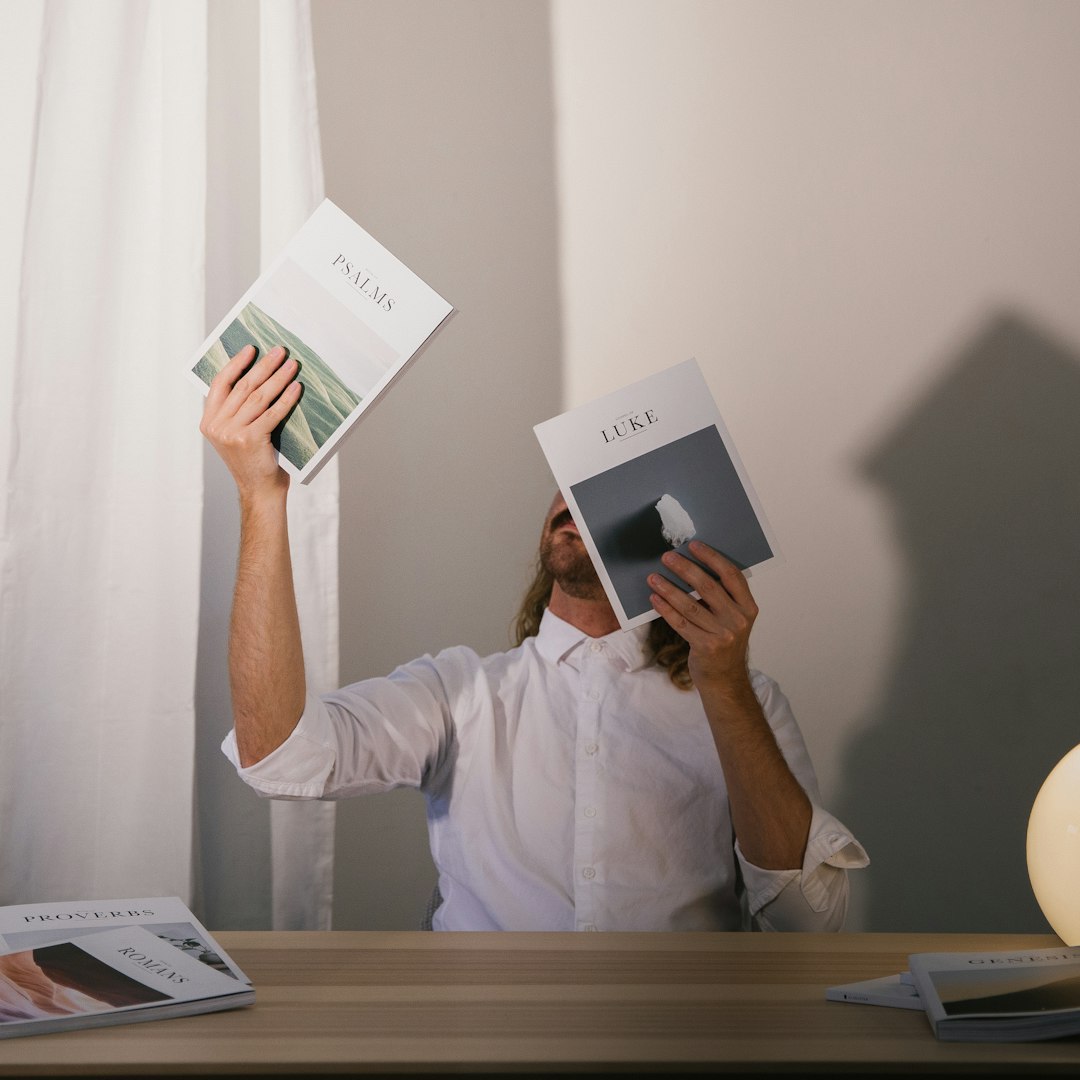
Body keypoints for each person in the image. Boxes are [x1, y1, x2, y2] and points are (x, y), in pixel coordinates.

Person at [201, 343, 868, 931]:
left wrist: (723, 683)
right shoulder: (461, 691)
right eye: (572, 479)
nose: (578, 498)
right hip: (485, 1043)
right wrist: (261, 498)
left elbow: (807, 921)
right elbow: (279, 758)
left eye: (614, 487)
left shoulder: (746, 699)